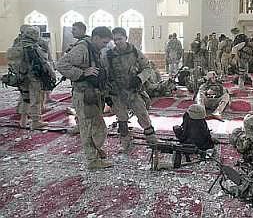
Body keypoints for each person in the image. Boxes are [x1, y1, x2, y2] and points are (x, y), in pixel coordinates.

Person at [57, 26, 113, 170]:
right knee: (88, 128)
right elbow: (61, 65)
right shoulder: (82, 48)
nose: (105, 46)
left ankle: (94, 150)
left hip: (93, 94)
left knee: (97, 126)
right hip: (83, 95)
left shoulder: (94, 49)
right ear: (95, 38)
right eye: (104, 42)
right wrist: (82, 73)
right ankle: (92, 161)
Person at [105, 27, 158, 153]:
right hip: (117, 92)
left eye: (120, 39)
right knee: (122, 119)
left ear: (125, 38)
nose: (117, 42)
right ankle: (125, 143)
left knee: (143, 115)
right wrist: (107, 94)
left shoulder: (135, 52)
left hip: (133, 91)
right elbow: (106, 75)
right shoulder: (110, 55)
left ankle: (152, 140)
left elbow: (147, 68)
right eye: (115, 39)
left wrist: (139, 79)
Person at [9, 26, 53, 129]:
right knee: (35, 99)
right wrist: (51, 74)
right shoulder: (33, 47)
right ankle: (35, 121)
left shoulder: (18, 45)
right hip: (33, 78)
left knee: (25, 98)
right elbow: (43, 62)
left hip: (21, 76)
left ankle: (23, 121)